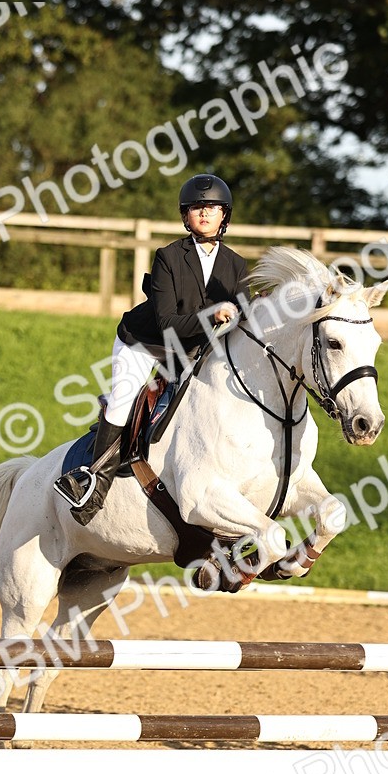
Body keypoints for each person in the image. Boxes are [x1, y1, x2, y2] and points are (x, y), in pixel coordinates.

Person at [54, 173, 248, 525]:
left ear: (224, 216)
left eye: (212, 208)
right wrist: (213, 314)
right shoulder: (169, 257)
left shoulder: (236, 265)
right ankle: (92, 484)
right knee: (123, 399)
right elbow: (167, 322)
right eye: (196, 208)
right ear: (185, 216)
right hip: (144, 343)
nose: (204, 214)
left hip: (189, 351)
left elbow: (244, 316)